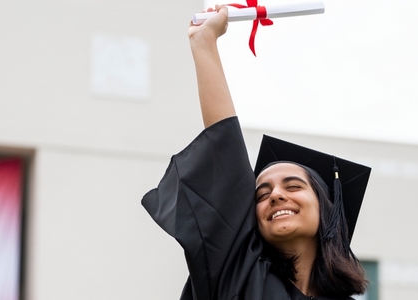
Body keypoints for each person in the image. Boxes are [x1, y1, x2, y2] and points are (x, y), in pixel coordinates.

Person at [142, 5, 371, 300]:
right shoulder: (240, 275)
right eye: (261, 195)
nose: (275, 195)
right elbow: (226, 160)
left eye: (294, 186)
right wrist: (204, 43)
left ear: (326, 206)